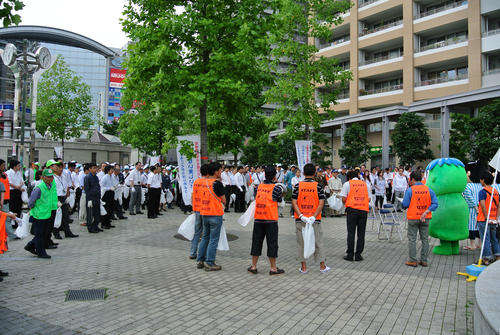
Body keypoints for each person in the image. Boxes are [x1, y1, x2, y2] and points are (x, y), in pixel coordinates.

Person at [292, 163, 330, 274]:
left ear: (303, 173)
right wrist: (313, 216)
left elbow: (294, 202)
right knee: (318, 242)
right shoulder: (318, 186)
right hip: (315, 219)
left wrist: (301, 216)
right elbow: (321, 203)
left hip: (301, 219)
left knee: (301, 242)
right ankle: (322, 266)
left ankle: (304, 268)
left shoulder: (298, 186)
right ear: (314, 173)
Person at [248, 165, 285, 275]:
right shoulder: (277, 188)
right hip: (271, 220)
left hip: (258, 219)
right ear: (274, 176)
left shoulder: (259, 187)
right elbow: (279, 200)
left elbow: (256, 198)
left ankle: (253, 266)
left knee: (256, 242)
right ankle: (273, 268)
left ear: (264, 174)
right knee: (272, 243)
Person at [402, 171, 438, 267]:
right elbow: (435, 203)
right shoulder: (429, 190)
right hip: (425, 218)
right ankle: (424, 260)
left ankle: (413, 260)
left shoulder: (410, 190)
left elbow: (405, 204)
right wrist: (426, 211)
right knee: (425, 239)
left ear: (413, 179)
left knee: (412, 239)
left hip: (413, 217)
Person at [197, 162, 226, 271]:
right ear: (215, 172)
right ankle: (209, 262)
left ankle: (200, 260)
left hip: (204, 213)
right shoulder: (217, 184)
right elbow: (224, 200)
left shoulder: (204, 183)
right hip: (215, 214)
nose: (221, 172)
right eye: (220, 170)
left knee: (205, 237)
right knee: (213, 240)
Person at [24, 168, 59, 259]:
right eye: (48, 177)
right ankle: (41, 252)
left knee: (43, 233)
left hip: (47, 213)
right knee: (40, 235)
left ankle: (31, 245)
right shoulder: (39, 188)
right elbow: (31, 202)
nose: (50, 179)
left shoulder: (50, 186)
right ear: (43, 177)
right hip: (39, 215)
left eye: (51, 177)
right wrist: (33, 210)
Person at [340, 169, 370, 262]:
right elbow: (368, 199)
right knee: (361, 233)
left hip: (352, 210)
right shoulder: (365, 184)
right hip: (363, 210)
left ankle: (350, 254)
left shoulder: (347, 184)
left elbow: (344, 199)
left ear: (349, 177)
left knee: (351, 232)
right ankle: (358, 255)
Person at [476, 171, 500, 265]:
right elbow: (499, 206)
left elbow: (482, 205)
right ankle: (498, 256)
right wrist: (496, 217)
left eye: (481, 179)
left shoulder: (482, 192)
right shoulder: (496, 192)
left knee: (485, 239)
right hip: (494, 219)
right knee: (494, 239)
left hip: (483, 219)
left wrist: (487, 217)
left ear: (483, 180)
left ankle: (486, 258)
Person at [51, 160, 78, 239]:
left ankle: (67, 232)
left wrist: (67, 195)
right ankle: (56, 233)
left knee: (65, 216)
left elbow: (67, 186)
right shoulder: (52, 177)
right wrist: (56, 200)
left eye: (61, 168)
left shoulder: (64, 176)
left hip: (63, 197)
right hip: (57, 197)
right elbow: (52, 190)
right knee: (57, 216)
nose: (60, 170)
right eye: (58, 168)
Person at [189, 164, 209, 259]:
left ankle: (193, 252)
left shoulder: (196, 182)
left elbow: (192, 195)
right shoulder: (208, 183)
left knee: (196, 232)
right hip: (205, 210)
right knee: (205, 234)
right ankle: (202, 254)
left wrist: (193, 206)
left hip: (197, 209)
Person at [463, 170, 482, 250]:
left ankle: (472, 244)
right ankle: (480, 244)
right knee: (480, 226)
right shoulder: (481, 185)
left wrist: (475, 207)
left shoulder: (468, 186)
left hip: (472, 209)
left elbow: (469, 198)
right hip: (482, 208)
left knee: (471, 226)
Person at [84, 163, 102, 233]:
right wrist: (89, 199)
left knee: (97, 213)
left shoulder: (96, 177)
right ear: (90, 169)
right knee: (90, 214)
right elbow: (86, 189)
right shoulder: (87, 177)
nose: (95, 169)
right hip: (91, 198)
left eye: (96, 168)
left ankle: (96, 226)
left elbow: (98, 186)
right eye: (94, 168)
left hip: (97, 197)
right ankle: (90, 228)